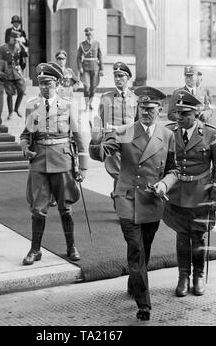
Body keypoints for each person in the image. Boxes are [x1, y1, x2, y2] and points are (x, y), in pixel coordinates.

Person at [89, 86, 179, 321]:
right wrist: (96, 139)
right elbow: (100, 154)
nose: (145, 113)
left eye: (150, 109)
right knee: (136, 248)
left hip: (152, 201)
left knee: (144, 248)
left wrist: (165, 184)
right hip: (128, 198)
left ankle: (134, 283)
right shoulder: (125, 132)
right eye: (141, 108)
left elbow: (174, 169)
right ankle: (144, 304)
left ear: (160, 110)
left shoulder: (168, 136)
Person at [20, 62, 88, 266]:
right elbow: (25, 134)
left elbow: (77, 136)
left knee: (65, 207)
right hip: (39, 161)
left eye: (48, 83)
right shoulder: (32, 105)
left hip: (62, 160)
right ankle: (35, 250)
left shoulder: (68, 105)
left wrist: (83, 166)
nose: (44, 87)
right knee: (38, 209)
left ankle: (71, 246)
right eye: (41, 83)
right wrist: (25, 148)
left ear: (57, 83)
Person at [163, 90, 216, 298]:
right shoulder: (170, 132)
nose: (179, 118)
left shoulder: (210, 133)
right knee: (182, 235)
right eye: (177, 113)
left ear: (195, 113)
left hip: (201, 192)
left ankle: (199, 276)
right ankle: (183, 276)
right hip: (178, 192)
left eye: (184, 114)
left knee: (198, 234)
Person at [98, 62, 137, 200]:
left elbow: (138, 121)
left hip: (131, 141)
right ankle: (120, 198)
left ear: (128, 78)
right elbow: (101, 120)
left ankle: (117, 195)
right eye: (115, 76)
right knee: (118, 172)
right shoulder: (106, 98)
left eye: (121, 76)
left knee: (128, 172)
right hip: (113, 140)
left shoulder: (135, 98)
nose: (118, 79)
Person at [0, 30, 26, 120]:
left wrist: (22, 45)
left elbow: (25, 56)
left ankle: (16, 109)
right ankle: (10, 112)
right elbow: (0, 61)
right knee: (9, 93)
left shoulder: (19, 48)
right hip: (8, 72)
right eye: (14, 39)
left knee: (21, 91)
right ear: (10, 38)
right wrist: (2, 72)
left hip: (17, 72)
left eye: (17, 40)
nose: (15, 41)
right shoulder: (4, 48)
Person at [77, 27, 103, 111]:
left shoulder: (97, 43)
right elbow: (78, 57)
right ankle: (86, 105)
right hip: (85, 68)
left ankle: (90, 102)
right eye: (87, 34)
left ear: (93, 34)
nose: (89, 36)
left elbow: (100, 56)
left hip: (95, 67)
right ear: (85, 35)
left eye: (90, 34)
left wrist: (102, 69)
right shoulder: (82, 44)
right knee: (86, 87)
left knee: (94, 87)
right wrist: (80, 67)